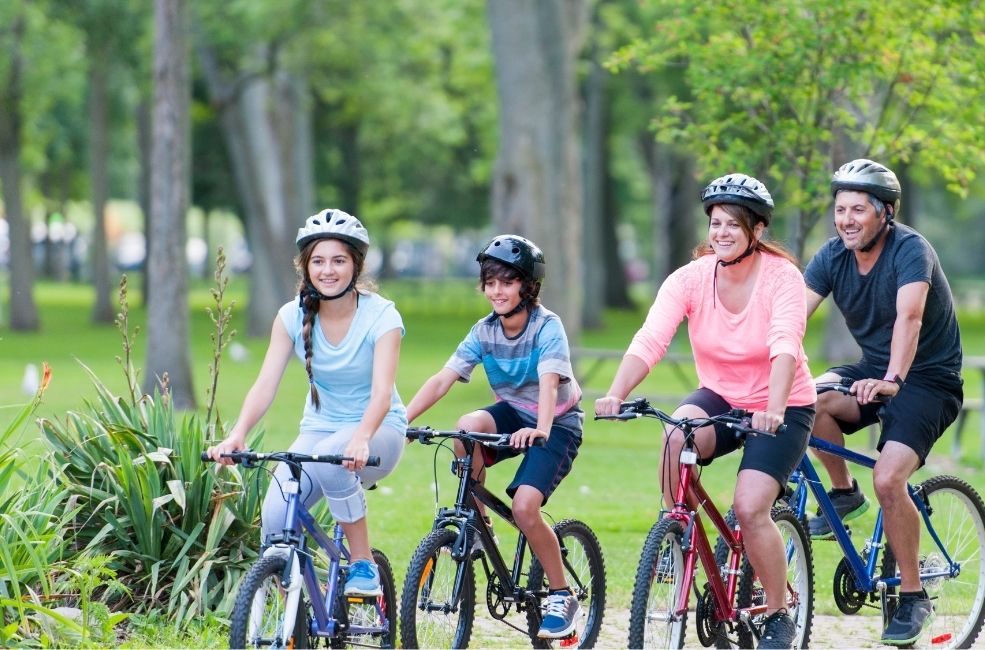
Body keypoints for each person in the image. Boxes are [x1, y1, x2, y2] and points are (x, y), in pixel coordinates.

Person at [594, 173, 815, 649]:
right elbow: (651, 339)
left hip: (782, 404)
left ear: (756, 232)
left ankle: (778, 612)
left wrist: (774, 408)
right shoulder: (691, 278)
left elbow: (785, 346)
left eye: (733, 225)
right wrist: (614, 392)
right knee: (676, 435)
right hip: (720, 395)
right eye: (715, 223)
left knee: (750, 507)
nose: (721, 233)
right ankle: (679, 533)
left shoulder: (783, 278)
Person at [802, 159, 963, 646]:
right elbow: (791, 316)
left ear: (885, 213)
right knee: (808, 403)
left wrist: (893, 378)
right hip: (873, 368)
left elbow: (909, 318)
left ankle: (913, 597)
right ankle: (843, 494)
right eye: (840, 210)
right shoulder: (832, 256)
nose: (846, 219)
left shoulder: (911, 250)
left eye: (858, 210)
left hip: (929, 379)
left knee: (890, 477)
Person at [207, 209, 407, 597]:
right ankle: (293, 620)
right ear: (305, 267)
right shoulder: (291, 315)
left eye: (338, 260)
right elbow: (266, 384)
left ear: (355, 265)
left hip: (379, 430)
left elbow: (383, 392)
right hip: (318, 431)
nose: (327, 270)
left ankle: (362, 563)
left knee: (333, 458)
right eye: (318, 261)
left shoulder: (382, 315)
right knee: (277, 518)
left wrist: (362, 436)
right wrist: (238, 434)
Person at [403, 234, 585, 640]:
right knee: (466, 426)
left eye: (507, 281)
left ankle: (561, 594)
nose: (496, 291)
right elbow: (442, 380)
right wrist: (403, 421)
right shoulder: (484, 331)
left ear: (528, 286)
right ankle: (478, 527)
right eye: (490, 282)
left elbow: (549, 382)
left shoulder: (546, 326)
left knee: (524, 507)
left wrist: (538, 428)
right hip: (513, 413)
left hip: (556, 422)